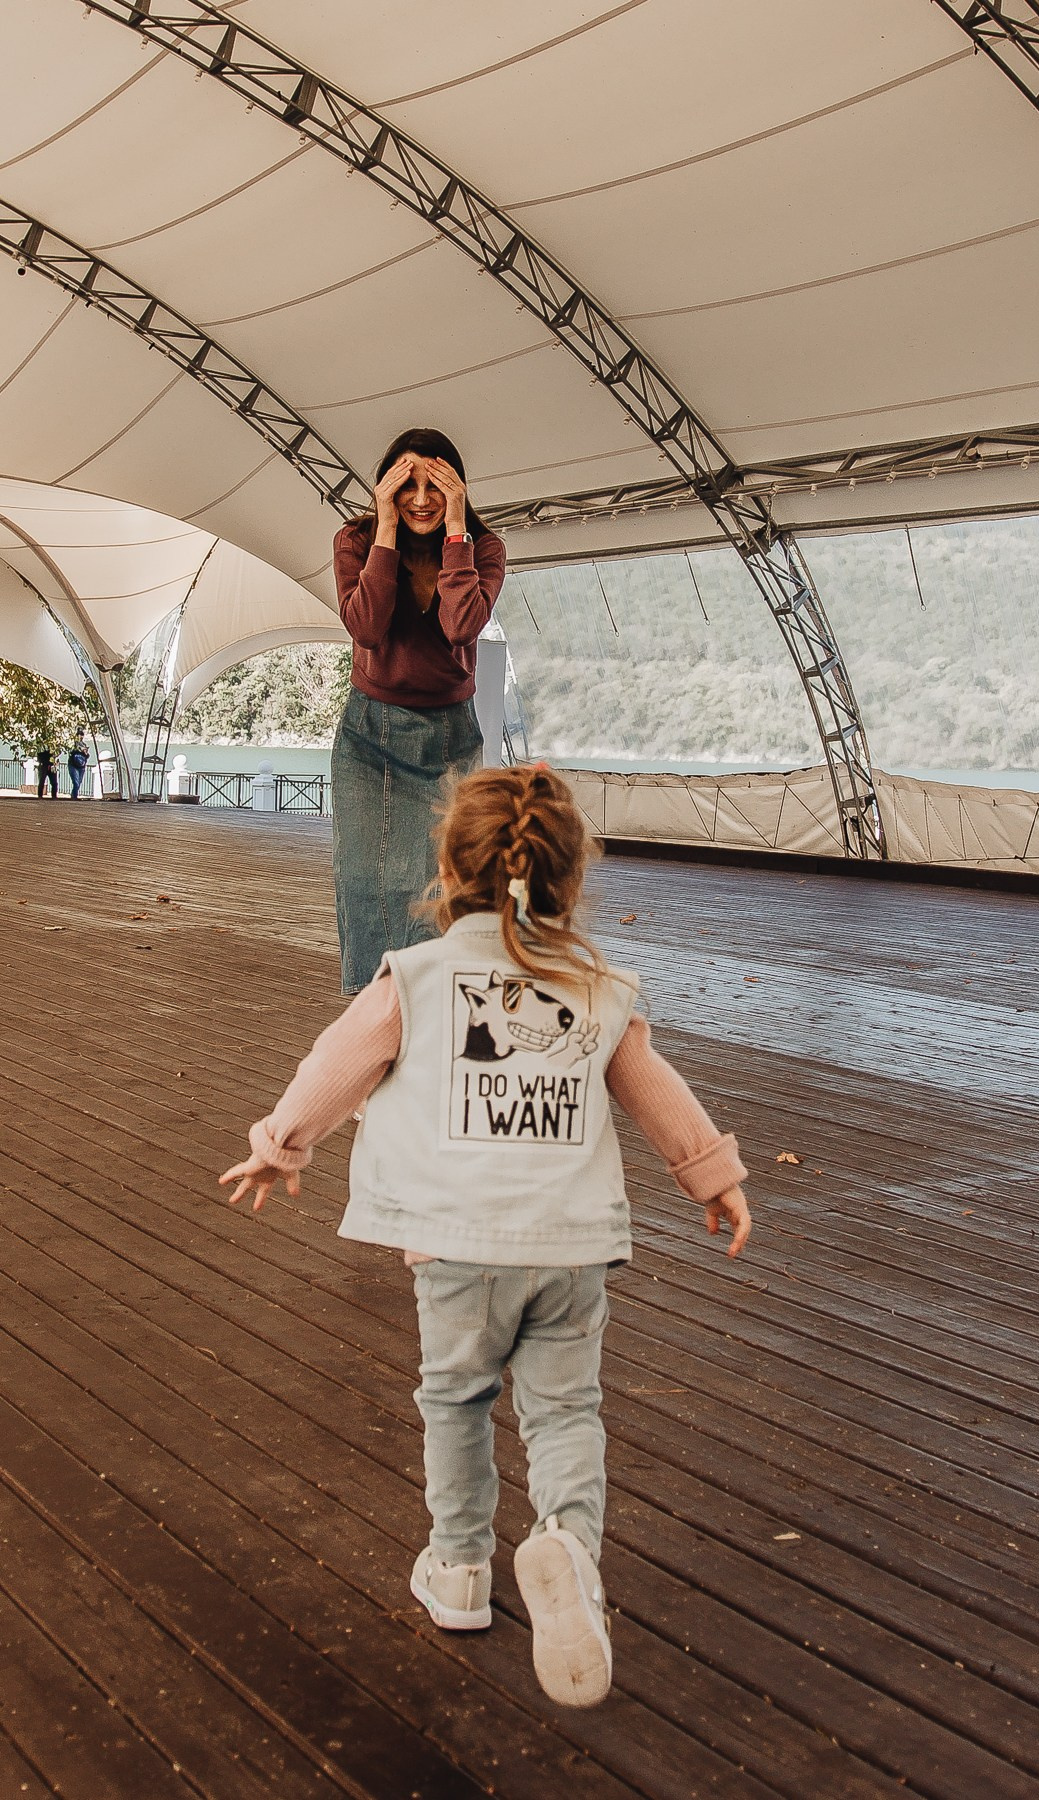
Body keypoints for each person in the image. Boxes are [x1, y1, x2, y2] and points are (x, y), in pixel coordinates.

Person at [220, 764, 751, 1710]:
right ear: (569, 878)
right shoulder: (596, 987)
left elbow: (334, 1067)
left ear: (449, 867)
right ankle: (570, 1554)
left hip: (458, 1248)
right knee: (565, 1412)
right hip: (570, 1247)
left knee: (458, 1401)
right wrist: (711, 1177)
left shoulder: (416, 978)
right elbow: (655, 1090)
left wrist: (279, 1147)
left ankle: (461, 1569)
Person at [331, 426, 506, 995]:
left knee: (449, 881)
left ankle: (436, 999)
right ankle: (372, 1004)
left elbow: (460, 625)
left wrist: (457, 529)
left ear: (459, 490)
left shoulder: (484, 550)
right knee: (364, 880)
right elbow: (368, 628)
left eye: (438, 487)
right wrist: (384, 528)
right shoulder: (355, 542)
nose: (422, 499)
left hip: (451, 739)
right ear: (385, 489)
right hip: (370, 736)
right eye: (407, 486)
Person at [67, 730, 89, 800]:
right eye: (79, 735)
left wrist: (85, 753)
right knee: (76, 783)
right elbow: (70, 752)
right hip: (73, 765)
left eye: (82, 735)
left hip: (81, 766)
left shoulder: (84, 745)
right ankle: (74, 798)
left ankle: (73, 795)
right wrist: (78, 749)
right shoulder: (72, 744)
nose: (80, 737)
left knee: (79, 783)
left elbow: (87, 756)